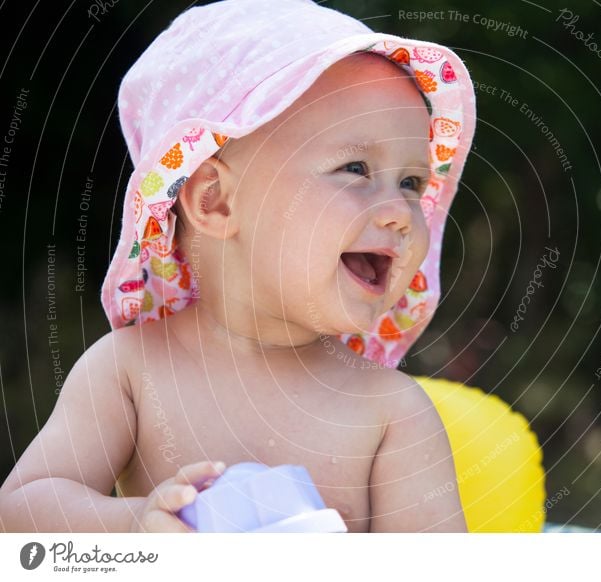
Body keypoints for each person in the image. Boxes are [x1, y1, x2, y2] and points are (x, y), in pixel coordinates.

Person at [0, 0, 476, 532]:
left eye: (412, 183)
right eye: (356, 168)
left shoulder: (391, 413)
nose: (401, 215)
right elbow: (19, 516)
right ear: (216, 203)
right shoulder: (130, 370)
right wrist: (137, 523)